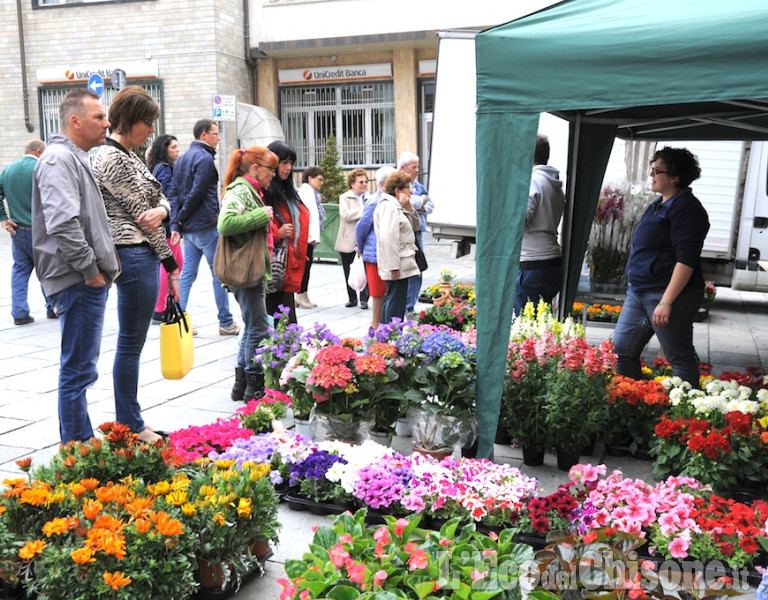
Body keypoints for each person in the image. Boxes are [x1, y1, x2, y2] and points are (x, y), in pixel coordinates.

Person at [31, 89, 121, 444]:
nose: (107, 123)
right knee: (78, 369)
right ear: (74, 120)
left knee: (81, 367)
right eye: (99, 117)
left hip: (83, 278)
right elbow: (64, 223)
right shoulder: (58, 159)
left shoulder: (74, 157)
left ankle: (79, 441)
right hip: (78, 279)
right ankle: (77, 448)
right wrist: (90, 271)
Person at [92, 86, 181, 444]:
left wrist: (164, 208)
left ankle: (131, 418)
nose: (151, 130)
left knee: (131, 342)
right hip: (132, 251)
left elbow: (159, 199)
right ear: (127, 120)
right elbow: (145, 218)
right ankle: (130, 422)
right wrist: (171, 264)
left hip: (136, 250)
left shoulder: (128, 155)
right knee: (131, 343)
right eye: (147, 122)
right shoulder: (113, 159)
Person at [613, 147, 710, 386]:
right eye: (652, 169)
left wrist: (666, 302)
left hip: (668, 294)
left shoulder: (687, 209)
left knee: (679, 357)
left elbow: (686, 260)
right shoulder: (659, 204)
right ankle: (633, 405)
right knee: (622, 350)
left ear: (674, 177)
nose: (651, 175)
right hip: (639, 291)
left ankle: (682, 419)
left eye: (657, 170)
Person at [218, 146, 277, 402]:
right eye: (270, 169)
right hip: (246, 269)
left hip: (250, 268)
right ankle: (253, 384)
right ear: (255, 168)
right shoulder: (241, 189)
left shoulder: (250, 189)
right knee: (259, 327)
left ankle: (241, 384)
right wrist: (259, 216)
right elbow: (226, 223)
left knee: (253, 325)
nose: (273, 174)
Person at [169, 119, 238, 336]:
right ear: (203, 135)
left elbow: (175, 194)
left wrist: (177, 223)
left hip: (189, 228)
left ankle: (178, 318)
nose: (218, 138)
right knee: (219, 274)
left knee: (187, 273)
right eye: (215, 134)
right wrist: (179, 220)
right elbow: (197, 193)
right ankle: (226, 322)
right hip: (205, 226)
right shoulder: (205, 158)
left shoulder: (181, 159)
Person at [0, 139, 55, 325]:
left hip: (18, 231)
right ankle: (52, 308)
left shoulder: (7, 170)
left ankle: (20, 313)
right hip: (42, 231)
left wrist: (3, 218)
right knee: (47, 271)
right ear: (39, 152)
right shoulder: (42, 169)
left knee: (20, 271)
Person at [513, 134, 566, 315]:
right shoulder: (553, 183)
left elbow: (518, 219)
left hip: (531, 263)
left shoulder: (532, 181)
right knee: (541, 323)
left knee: (526, 327)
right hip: (550, 261)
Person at [263, 140, 309, 324]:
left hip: (288, 261)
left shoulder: (287, 191)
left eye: (291, 163)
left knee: (286, 316)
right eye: (284, 163)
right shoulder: (264, 191)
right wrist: (276, 234)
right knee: (274, 316)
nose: (288, 168)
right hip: (273, 265)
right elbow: (256, 228)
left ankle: (287, 350)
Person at [374, 171, 421, 324]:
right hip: (397, 261)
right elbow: (389, 237)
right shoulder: (390, 207)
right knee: (395, 301)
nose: (411, 191)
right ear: (397, 190)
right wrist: (393, 266)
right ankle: (390, 337)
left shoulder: (397, 206)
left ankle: (387, 337)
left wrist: (409, 206)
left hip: (401, 259)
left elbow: (415, 226)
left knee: (395, 298)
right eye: (408, 187)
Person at [147, 134, 183, 324]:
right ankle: (160, 309)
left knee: (177, 262)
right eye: (173, 147)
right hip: (167, 223)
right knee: (170, 265)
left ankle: (164, 304)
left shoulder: (164, 167)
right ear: (165, 150)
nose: (177, 150)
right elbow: (167, 194)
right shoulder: (164, 169)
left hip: (167, 222)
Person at [355, 165, 395, 331]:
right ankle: (375, 326)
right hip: (375, 253)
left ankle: (383, 324)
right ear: (382, 185)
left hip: (384, 253)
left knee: (386, 292)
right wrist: (362, 249)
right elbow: (361, 227)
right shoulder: (375, 201)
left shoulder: (390, 199)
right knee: (378, 293)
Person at [398, 151, 433, 315]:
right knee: (402, 269)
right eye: (414, 167)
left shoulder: (418, 186)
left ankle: (410, 306)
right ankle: (401, 305)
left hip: (416, 233)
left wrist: (420, 203)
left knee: (417, 269)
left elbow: (431, 207)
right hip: (401, 233)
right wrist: (421, 200)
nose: (417, 170)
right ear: (404, 167)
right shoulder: (395, 183)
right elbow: (404, 203)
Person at [335, 168, 370, 309]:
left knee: (365, 270)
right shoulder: (345, 197)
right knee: (348, 269)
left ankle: (364, 299)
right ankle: (352, 298)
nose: (364, 184)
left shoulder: (370, 198)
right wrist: (364, 211)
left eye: (366, 181)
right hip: (347, 239)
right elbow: (345, 215)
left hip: (365, 239)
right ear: (352, 183)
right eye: (360, 182)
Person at [296, 166, 325, 309]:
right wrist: (312, 235)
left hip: (307, 235)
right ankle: (301, 295)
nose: (321, 182)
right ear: (310, 178)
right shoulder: (306, 191)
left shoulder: (311, 192)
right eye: (319, 179)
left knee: (306, 266)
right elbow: (310, 216)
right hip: (306, 236)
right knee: (304, 266)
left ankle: (303, 295)